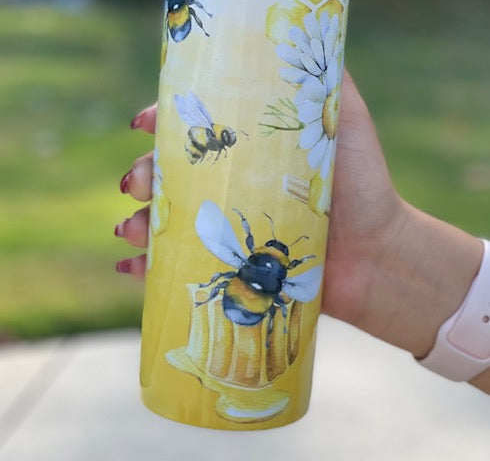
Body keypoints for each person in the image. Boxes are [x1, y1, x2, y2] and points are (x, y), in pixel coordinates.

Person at [114, 70, 490, 394]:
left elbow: (223, 237)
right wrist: (379, 255)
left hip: (241, 294)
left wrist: (379, 254)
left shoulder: (237, 253)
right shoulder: (285, 277)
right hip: (256, 296)